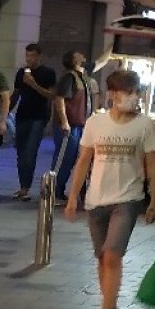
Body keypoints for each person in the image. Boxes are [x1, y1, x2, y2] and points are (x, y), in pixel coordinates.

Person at [64, 70, 155, 309]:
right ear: (112, 94)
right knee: (102, 257)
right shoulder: (95, 123)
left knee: (111, 256)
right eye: (127, 92)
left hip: (128, 198)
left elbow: (151, 162)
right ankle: (110, 303)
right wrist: (72, 197)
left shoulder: (144, 125)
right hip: (96, 199)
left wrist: (153, 199)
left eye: (135, 92)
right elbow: (83, 160)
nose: (132, 97)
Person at [11, 43, 57, 201]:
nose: (29, 59)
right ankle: (22, 186)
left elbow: (51, 95)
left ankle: (26, 188)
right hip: (22, 115)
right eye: (27, 56)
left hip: (38, 117)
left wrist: (33, 84)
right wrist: (5, 112)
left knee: (30, 153)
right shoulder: (21, 72)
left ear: (39, 56)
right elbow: (16, 93)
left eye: (32, 56)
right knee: (21, 153)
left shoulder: (48, 73)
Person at [52, 50, 95, 203]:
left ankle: (59, 191)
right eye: (79, 55)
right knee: (64, 159)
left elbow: (101, 62)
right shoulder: (69, 78)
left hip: (79, 125)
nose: (83, 55)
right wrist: (64, 122)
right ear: (74, 61)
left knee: (71, 159)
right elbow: (59, 99)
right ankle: (53, 191)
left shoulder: (81, 76)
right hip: (70, 126)